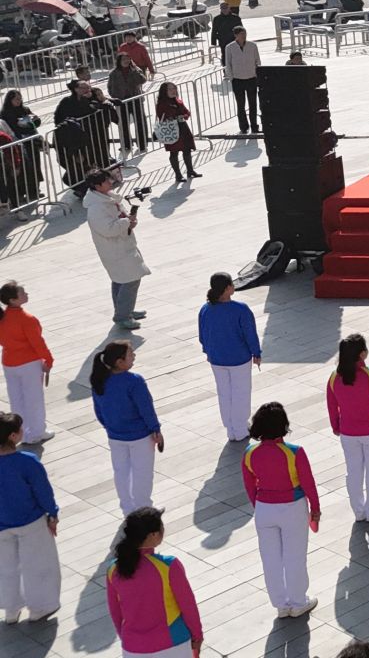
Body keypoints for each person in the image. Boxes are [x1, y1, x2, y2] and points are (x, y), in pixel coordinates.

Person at [242, 401, 320, 617]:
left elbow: (249, 486)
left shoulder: (249, 452)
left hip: (264, 509)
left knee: (271, 559)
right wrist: (315, 508)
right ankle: (298, 602)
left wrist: (260, 506)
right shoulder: (295, 452)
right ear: (283, 425)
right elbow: (308, 484)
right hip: (292, 508)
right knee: (295, 557)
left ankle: (281, 605)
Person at [108, 508, 203, 658]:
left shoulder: (113, 569)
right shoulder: (169, 566)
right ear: (152, 535)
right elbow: (188, 605)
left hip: (133, 648)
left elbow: (115, 611)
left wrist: (129, 639)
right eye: (161, 527)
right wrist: (197, 635)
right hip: (173, 644)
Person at [326, 334, 369, 523]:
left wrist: (335, 426)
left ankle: (358, 511)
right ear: (362, 354)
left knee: (353, 472)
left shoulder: (334, 377)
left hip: (348, 432)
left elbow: (332, 405)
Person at [0, 410, 59, 621]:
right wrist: (52, 514)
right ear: (13, 436)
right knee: (38, 565)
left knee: (6, 568)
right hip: (31, 522)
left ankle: (11, 609)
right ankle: (39, 608)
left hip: (2, 526)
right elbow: (43, 492)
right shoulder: (27, 461)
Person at [92, 342, 162, 513]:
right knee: (142, 474)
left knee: (121, 473)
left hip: (115, 437)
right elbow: (146, 408)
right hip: (140, 437)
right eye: (130, 354)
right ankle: (144, 509)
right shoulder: (134, 381)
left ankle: (128, 510)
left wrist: (110, 427)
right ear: (119, 362)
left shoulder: (99, 381)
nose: (134, 356)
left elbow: (99, 411)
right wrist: (155, 429)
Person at [199, 272, 260, 443]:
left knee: (224, 393)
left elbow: (202, 334)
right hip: (238, 359)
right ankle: (240, 429)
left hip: (216, 359)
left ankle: (230, 428)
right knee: (241, 393)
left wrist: (208, 351)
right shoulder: (240, 309)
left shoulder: (205, 309)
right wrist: (256, 352)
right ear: (227, 289)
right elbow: (250, 334)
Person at [85, 170, 149, 330]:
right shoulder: (96, 208)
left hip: (123, 245)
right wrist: (126, 222)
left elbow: (122, 216)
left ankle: (125, 310)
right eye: (106, 181)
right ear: (97, 186)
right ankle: (122, 316)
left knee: (121, 280)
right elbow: (108, 229)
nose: (111, 182)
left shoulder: (109, 198)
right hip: (114, 250)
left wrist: (130, 221)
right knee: (129, 279)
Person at [0, 284, 51, 444]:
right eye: (22, 293)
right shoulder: (27, 319)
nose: (26, 294)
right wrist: (48, 360)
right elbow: (38, 343)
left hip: (9, 362)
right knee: (34, 399)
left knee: (16, 398)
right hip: (29, 363)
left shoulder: (2, 317)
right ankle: (36, 433)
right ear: (13, 299)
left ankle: (18, 431)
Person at [151, 81, 200, 183]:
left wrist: (184, 116)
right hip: (171, 130)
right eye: (170, 89)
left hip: (183, 128)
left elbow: (187, 112)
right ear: (164, 91)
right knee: (174, 152)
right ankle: (178, 175)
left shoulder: (178, 101)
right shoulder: (162, 104)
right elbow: (162, 116)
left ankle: (190, 171)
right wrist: (175, 117)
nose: (173, 91)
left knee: (187, 149)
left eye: (174, 88)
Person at [107, 53, 148, 154]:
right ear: (119, 61)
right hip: (122, 101)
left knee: (140, 121)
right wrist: (115, 97)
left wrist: (135, 71)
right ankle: (126, 144)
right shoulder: (114, 73)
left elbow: (143, 80)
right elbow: (110, 87)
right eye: (124, 59)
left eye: (128, 59)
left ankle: (142, 143)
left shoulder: (135, 70)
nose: (126, 61)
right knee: (123, 123)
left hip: (135, 99)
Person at [224, 26, 262, 134]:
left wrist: (257, 74)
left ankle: (254, 126)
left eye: (245, 33)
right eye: (241, 34)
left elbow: (257, 61)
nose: (244, 36)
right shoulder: (229, 47)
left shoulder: (252, 46)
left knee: (253, 104)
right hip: (238, 80)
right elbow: (228, 64)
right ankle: (243, 126)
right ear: (236, 35)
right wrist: (232, 78)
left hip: (251, 78)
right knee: (241, 105)